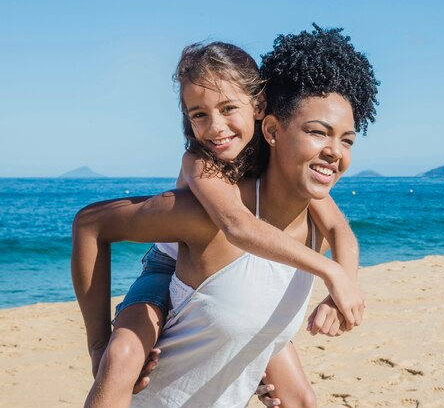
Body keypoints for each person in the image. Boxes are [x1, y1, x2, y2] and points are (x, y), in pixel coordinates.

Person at [72, 24, 378, 408]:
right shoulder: (202, 164)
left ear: (259, 109)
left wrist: (342, 283)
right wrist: (99, 344)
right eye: (199, 114)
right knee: (122, 357)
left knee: (301, 396)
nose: (215, 127)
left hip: (228, 281)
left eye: (229, 108)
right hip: (164, 267)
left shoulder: (287, 173)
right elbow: (236, 224)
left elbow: (340, 230)